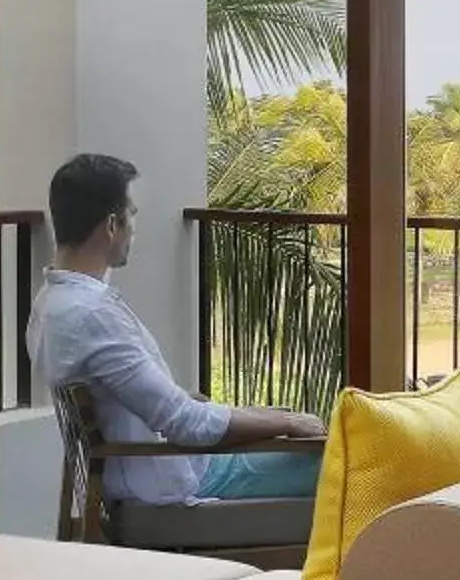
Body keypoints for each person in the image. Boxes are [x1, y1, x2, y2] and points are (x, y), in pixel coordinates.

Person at [28, 153, 326, 505]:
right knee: (355, 465)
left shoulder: (50, 303)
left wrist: (266, 416)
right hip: (180, 479)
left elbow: (163, 404)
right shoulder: (92, 316)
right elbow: (185, 423)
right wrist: (284, 424)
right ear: (112, 225)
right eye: (132, 215)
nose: (134, 228)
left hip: (141, 472)